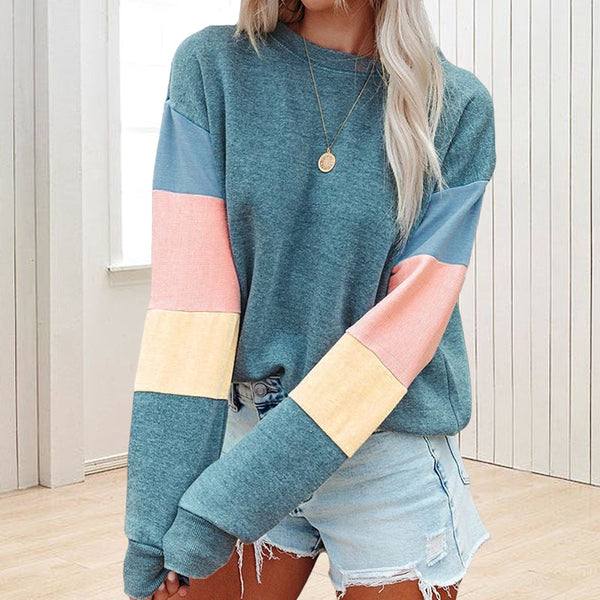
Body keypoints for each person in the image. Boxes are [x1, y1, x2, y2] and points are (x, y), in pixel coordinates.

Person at [122, 1, 496, 599]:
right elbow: (189, 312)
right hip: (251, 437)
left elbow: (398, 338)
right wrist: (153, 528)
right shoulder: (214, 68)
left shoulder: (455, 107)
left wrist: (218, 510)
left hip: (385, 447)